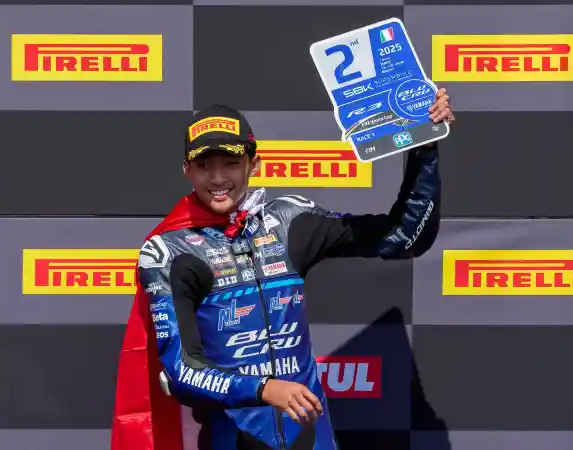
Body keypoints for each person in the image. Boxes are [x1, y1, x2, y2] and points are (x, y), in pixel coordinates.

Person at [111, 89, 455, 450]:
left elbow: (404, 237)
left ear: (253, 164)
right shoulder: (169, 251)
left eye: (230, 162)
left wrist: (424, 143)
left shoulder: (288, 221)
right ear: (187, 170)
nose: (217, 177)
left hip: (311, 439)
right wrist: (264, 389)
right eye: (204, 165)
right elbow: (181, 372)